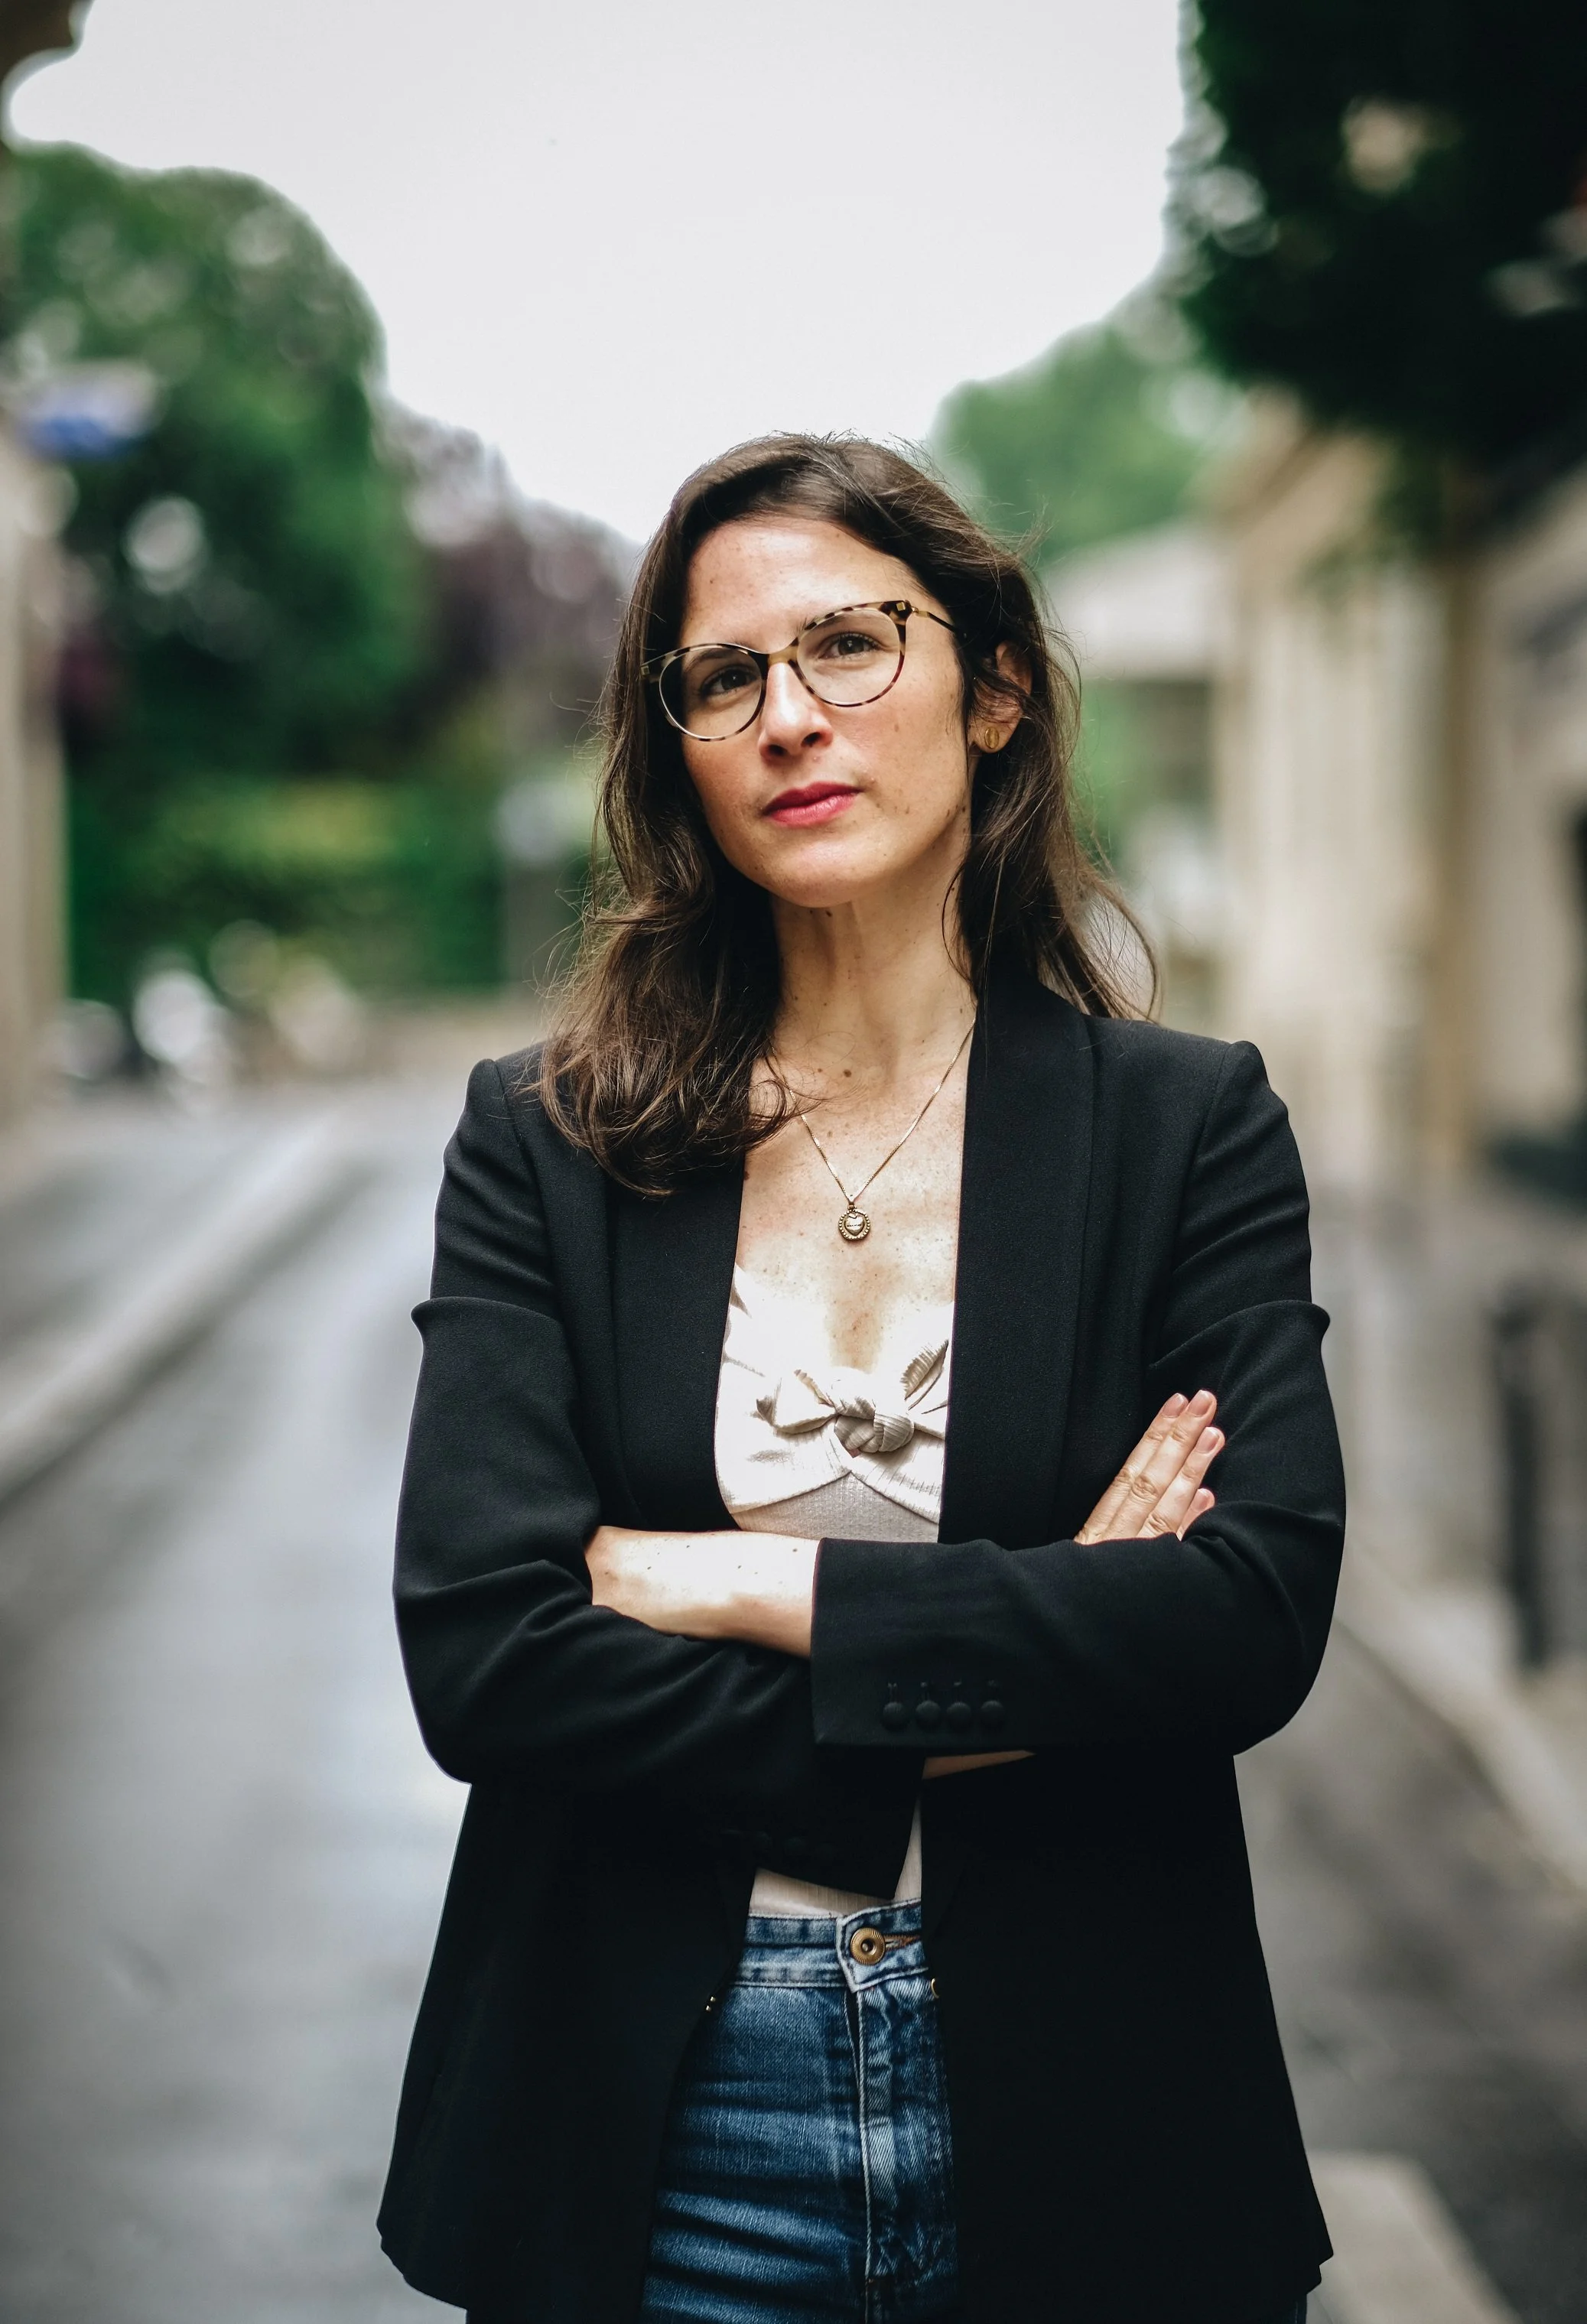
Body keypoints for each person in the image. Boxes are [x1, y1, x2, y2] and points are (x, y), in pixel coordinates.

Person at [379, 434, 1345, 2324]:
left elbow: (1241, 1621)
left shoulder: (1183, 1131)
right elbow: (487, 1657)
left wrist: (745, 1583)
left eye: (848, 645)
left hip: (1093, 2098)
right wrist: (1038, 1650)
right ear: (678, 752)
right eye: (723, 678)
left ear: (989, 687)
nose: (786, 718)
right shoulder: (546, 1143)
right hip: (659, 2122)